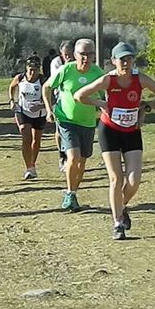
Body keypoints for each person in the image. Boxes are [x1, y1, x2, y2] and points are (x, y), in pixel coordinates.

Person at [74, 42, 155, 240]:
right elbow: (79, 96)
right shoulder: (108, 80)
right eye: (122, 59)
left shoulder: (140, 79)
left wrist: (147, 107)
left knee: (134, 180)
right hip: (109, 130)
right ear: (113, 61)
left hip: (132, 131)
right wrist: (101, 103)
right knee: (116, 179)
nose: (126, 63)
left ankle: (122, 204)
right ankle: (117, 222)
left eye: (129, 59)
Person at [42, 39, 104, 212]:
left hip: (88, 122)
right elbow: (46, 87)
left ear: (94, 56)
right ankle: (69, 193)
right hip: (66, 120)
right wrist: (49, 110)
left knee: (82, 161)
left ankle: (74, 193)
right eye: (82, 54)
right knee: (74, 157)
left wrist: (105, 107)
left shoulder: (98, 73)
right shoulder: (66, 70)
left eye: (89, 54)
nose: (85, 57)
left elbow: (106, 95)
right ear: (75, 55)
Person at [9, 56, 47, 179]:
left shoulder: (43, 81)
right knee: (26, 136)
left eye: (35, 70)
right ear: (26, 68)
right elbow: (12, 87)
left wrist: (41, 106)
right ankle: (28, 168)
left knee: (36, 140)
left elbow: (52, 98)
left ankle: (33, 164)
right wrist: (11, 100)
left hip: (39, 113)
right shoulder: (20, 78)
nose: (32, 73)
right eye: (30, 69)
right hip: (22, 111)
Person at [50, 40, 75, 172]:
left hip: (76, 98)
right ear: (61, 53)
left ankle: (73, 155)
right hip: (60, 97)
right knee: (60, 128)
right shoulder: (56, 62)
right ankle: (62, 154)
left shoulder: (79, 60)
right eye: (66, 54)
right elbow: (56, 80)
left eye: (70, 54)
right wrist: (67, 65)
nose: (68, 56)